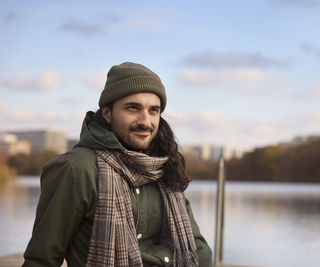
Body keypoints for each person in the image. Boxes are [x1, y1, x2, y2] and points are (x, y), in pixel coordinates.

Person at [23, 62, 212, 267]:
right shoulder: (75, 169)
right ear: (107, 114)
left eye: (154, 110)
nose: (145, 121)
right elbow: (41, 260)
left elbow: (198, 250)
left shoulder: (164, 167)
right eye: (133, 108)